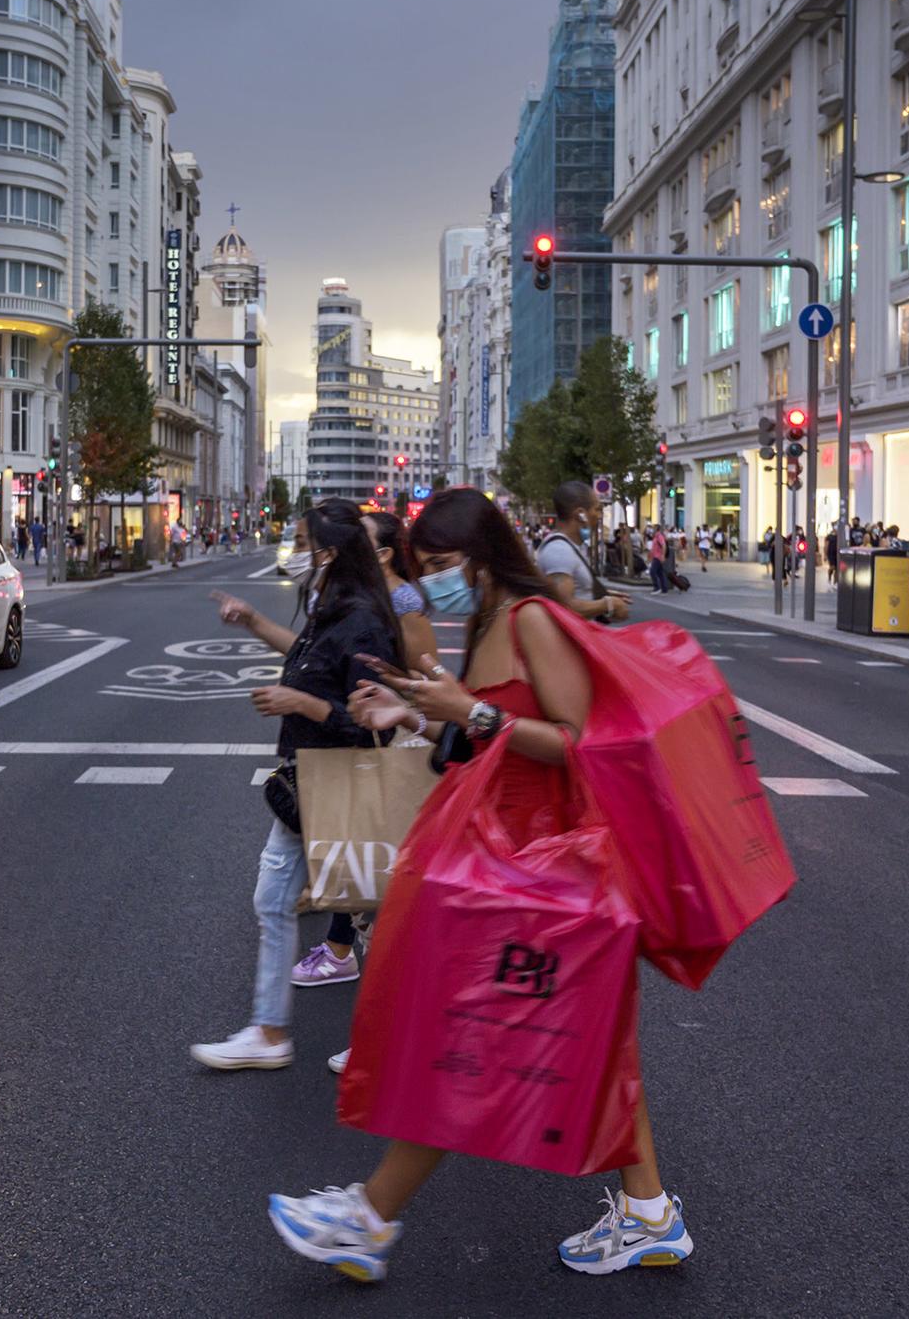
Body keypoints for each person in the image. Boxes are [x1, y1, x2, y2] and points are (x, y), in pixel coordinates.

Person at [268, 487, 693, 1283]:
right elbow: (483, 732)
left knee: (471, 1038)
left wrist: (469, 712)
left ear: (480, 556)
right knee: (584, 1035)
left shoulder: (532, 618)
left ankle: (368, 1217)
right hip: (511, 859)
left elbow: (576, 742)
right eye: (425, 569)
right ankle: (649, 1213)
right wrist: (414, 714)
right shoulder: (492, 621)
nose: (432, 583)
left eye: (441, 566)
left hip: (546, 866)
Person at [192, 500, 401, 1072]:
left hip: (341, 783)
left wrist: (299, 701)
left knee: (374, 918)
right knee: (283, 900)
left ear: (330, 552)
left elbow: (367, 720)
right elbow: (309, 658)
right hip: (310, 782)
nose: (299, 550)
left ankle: (381, 1040)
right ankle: (270, 1030)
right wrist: (254, 621)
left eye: (306, 541)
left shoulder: (363, 619)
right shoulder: (333, 608)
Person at [292, 509, 440, 1064]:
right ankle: (381, 1022)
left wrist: (403, 711)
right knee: (374, 891)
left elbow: (428, 683)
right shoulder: (351, 601)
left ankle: (391, 1038)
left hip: (393, 751)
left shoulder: (399, 605)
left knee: (389, 900)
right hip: (378, 743)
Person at [537, 481, 630, 624]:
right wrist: (609, 604)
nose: (599, 516)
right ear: (581, 514)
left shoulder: (571, 547)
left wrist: (597, 594)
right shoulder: (559, 551)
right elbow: (563, 606)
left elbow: (575, 591)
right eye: (597, 509)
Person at [647, 525, 669, 594]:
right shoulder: (656, 537)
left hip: (658, 557)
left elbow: (664, 545)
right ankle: (664, 589)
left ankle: (657, 587)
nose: (652, 529)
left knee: (652, 571)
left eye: (654, 528)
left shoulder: (659, 536)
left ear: (657, 529)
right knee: (660, 573)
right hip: (656, 556)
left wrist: (662, 555)